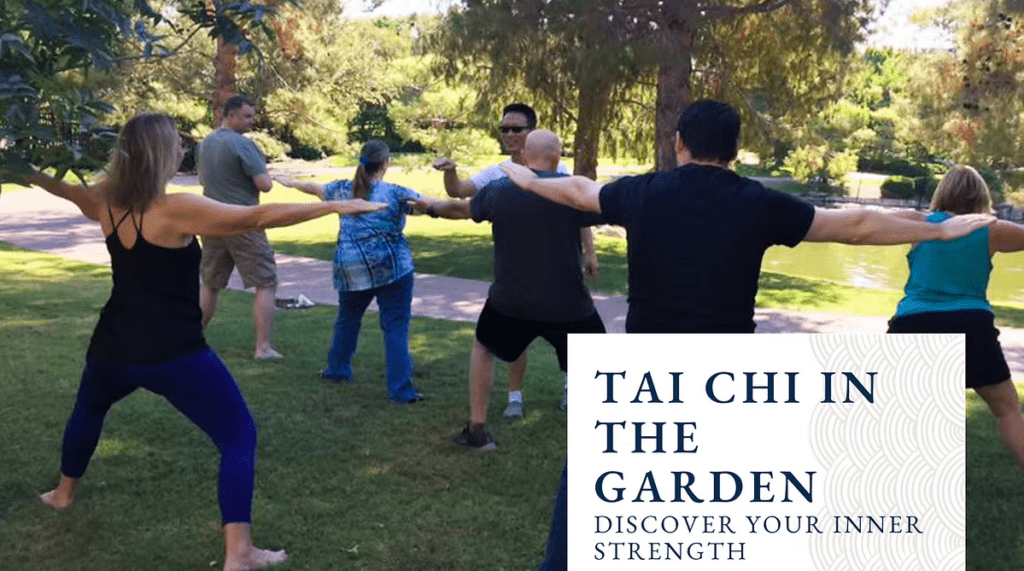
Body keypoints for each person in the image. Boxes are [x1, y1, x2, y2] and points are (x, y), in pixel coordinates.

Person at [500, 100, 994, 570]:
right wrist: (937, 230)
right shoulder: (756, 202)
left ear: (679, 143)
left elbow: (578, 192)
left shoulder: (643, 192)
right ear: (734, 150)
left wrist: (526, 177)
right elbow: (857, 225)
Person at [25, 112, 384, 571]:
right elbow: (256, 215)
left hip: (112, 344)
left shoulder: (105, 202)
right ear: (160, 154)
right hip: (173, 352)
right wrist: (334, 207)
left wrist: (24, 168)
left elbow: (63, 188)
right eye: (176, 143)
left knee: (89, 410)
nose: (181, 149)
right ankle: (240, 554)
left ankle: (62, 494)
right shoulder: (175, 209)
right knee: (238, 436)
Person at [420, 130, 606, 451]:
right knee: (604, 363)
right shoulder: (571, 193)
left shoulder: (499, 191)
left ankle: (477, 430)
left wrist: (430, 208)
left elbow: (460, 208)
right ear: (557, 157)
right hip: (568, 306)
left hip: (511, 303)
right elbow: (611, 206)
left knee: (483, 348)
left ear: (523, 156)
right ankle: (611, 437)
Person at [272, 140, 434, 403]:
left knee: (347, 319)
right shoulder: (396, 193)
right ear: (385, 164)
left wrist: (288, 181)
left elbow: (314, 188)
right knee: (395, 327)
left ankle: (337, 370)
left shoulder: (341, 189)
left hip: (350, 268)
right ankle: (401, 391)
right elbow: (427, 204)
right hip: (392, 268)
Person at [886, 166, 1024, 471]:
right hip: (971, 324)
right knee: (1007, 410)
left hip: (913, 323)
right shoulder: (992, 229)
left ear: (942, 192)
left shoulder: (916, 223)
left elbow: (864, 224)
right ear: (981, 195)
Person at [197, 94, 283, 359]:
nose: (251, 121)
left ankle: (193, 342)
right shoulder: (242, 144)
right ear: (230, 115)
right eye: (246, 116)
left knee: (210, 283)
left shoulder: (205, 143)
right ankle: (263, 347)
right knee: (266, 281)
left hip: (211, 219)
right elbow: (264, 185)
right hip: (243, 221)